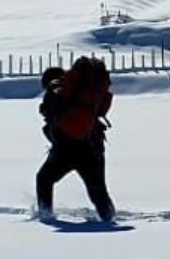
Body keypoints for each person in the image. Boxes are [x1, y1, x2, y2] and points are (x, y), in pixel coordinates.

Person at [35, 56, 115, 222]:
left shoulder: (56, 91)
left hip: (68, 147)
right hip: (94, 144)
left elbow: (48, 112)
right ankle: (108, 218)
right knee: (98, 190)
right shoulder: (83, 92)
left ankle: (45, 215)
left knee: (44, 179)